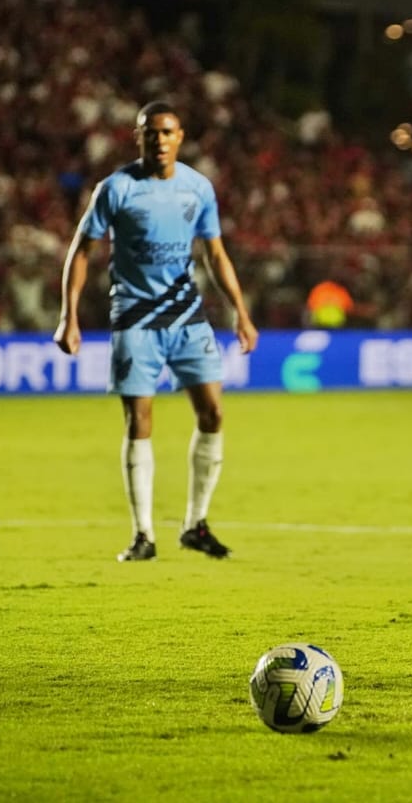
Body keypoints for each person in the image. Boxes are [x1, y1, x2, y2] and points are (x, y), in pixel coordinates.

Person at [53, 100, 259, 562]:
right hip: (135, 318)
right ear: (138, 137)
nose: (160, 140)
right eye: (151, 133)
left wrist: (240, 312)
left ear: (180, 137)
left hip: (187, 315)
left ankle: (196, 524)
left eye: (167, 132)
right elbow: (81, 251)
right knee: (139, 421)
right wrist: (69, 315)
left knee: (213, 414)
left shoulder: (197, 188)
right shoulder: (117, 188)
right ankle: (143, 535)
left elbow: (215, 254)